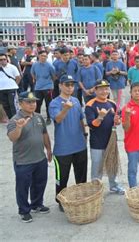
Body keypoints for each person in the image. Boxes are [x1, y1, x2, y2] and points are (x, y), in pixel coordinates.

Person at [7, 92, 52, 223]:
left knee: (40, 183)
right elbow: (12, 137)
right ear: (20, 104)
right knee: (22, 187)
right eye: (28, 102)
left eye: (34, 102)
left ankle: (37, 204)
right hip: (23, 161)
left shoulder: (38, 117)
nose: (32, 104)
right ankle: (24, 210)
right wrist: (19, 127)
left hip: (40, 158)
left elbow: (44, 133)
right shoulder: (15, 120)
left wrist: (48, 149)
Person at [48, 75, 88, 211]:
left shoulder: (76, 100)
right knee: (62, 178)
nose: (70, 87)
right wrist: (65, 108)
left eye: (72, 85)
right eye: (67, 85)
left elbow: (81, 119)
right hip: (63, 149)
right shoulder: (54, 103)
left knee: (81, 177)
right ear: (60, 86)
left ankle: (81, 198)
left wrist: (85, 134)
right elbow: (58, 120)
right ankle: (61, 201)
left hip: (79, 145)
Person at [85, 79, 124, 194]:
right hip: (97, 142)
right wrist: (100, 117)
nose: (104, 91)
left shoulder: (112, 103)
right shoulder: (90, 105)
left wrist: (117, 121)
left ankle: (114, 185)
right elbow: (92, 125)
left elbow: (117, 121)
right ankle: (96, 189)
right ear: (95, 90)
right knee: (97, 166)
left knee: (112, 164)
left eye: (106, 88)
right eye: (101, 89)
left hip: (111, 140)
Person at [121, 82, 139, 188]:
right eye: (135, 91)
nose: (137, 93)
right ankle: (133, 190)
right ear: (130, 93)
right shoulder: (126, 108)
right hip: (132, 144)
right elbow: (126, 128)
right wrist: (128, 116)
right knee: (133, 169)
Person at [31, 50, 56, 125]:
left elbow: (54, 76)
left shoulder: (50, 65)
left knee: (48, 103)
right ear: (38, 56)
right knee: (37, 104)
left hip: (48, 87)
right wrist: (37, 79)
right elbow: (32, 73)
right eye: (42, 56)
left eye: (45, 56)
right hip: (38, 87)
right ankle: (37, 118)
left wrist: (49, 83)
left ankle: (49, 118)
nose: (43, 57)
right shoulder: (35, 64)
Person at [0, 52, 21, 119]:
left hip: (11, 88)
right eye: (0, 60)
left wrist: (14, 85)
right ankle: (11, 119)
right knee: (5, 105)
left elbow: (18, 77)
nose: (2, 61)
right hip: (2, 89)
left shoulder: (12, 67)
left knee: (13, 105)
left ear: (7, 59)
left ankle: (16, 119)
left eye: (4, 59)